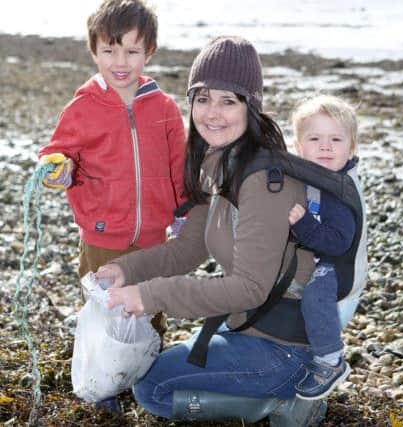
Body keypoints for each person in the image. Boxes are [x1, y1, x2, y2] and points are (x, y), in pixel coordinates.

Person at [95, 35, 331, 425]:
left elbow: (248, 288)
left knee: (150, 389)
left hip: (286, 349)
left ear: (250, 106)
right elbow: (188, 248)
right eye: (202, 99)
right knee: (150, 371)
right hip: (246, 324)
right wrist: (128, 270)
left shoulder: (265, 181)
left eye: (228, 100)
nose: (212, 113)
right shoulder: (220, 165)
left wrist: (150, 295)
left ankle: (285, 405)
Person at [37, 0, 186, 411]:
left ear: (149, 52)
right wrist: (59, 169)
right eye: (110, 50)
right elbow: (57, 153)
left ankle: (146, 378)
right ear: (94, 51)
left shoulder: (165, 109)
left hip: (156, 237)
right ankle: (104, 388)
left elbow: (180, 168)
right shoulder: (83, 108)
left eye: (133, 51)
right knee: (106, 315)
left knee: (151, 312)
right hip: (103, 236)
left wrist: (186, 211)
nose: (121, 62)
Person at [288, 95, 362, 399]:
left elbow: (337, 241)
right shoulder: (309, 175)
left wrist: (303, 224)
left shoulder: (338, 188)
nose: (325, 146)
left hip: (336, 264)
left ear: (352, 147)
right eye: (315, 138)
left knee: (317, 292)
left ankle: (330, 360)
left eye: (335, 139)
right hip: (313, 253)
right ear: (298, 147)